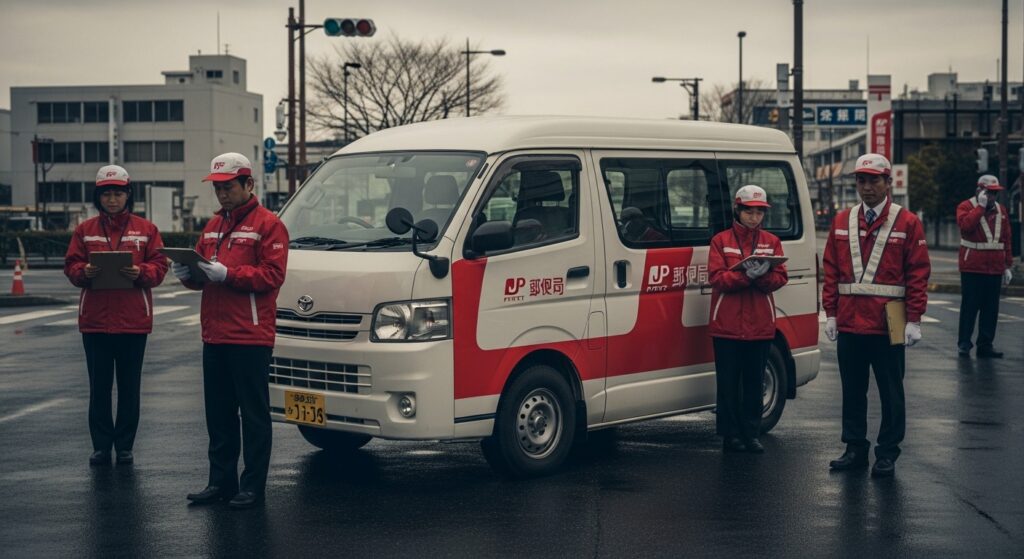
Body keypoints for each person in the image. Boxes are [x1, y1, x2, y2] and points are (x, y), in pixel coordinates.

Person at [173, 153, 288, 509]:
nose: (222, 193)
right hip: (215, 333)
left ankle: (252, 486)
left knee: (254, 415)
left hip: (250, 336)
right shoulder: (212, 226)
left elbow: (273, 275)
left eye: (229, 186)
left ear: (248, 184)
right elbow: (205, 274)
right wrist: (188, 275)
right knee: (219, 414)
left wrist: (229, 275)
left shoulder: (269, 224)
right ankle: (219, 483)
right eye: (218, 188)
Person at [822, 153, 931, 478]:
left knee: (891, 390)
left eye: (873, 180)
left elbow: (918, 272)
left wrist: (914, 318)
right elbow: (830, 270)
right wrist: (830, 312)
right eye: (861, 180)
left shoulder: (908, 222)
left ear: (888, 183)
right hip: (851, 318)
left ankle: (887, 452)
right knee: (852, 390)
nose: (867, 187)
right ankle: (855, 448)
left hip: (892, 319)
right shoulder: (841, 220)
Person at [64, 165, 168, 466]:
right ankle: (100, 446)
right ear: (98, 196)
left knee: (129, 388)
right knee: (98, 388)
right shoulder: (85, 230)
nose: (112, 199)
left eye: (118, 193)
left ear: (128, 195)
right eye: (107, 194)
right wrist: (83, 272)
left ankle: (124, 446)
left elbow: (160, 267)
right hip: (95, 320)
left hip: (133, 320)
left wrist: (141, 272)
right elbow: (71, 265)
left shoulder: (146, 229)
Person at [707, 184, 788, 454]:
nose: (755, 218)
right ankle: (731, 436)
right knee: (728, 384)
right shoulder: (721, 241)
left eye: (760, 213)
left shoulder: (771, 242)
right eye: (749, 212)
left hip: (760, 325)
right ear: (737, 210)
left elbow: (780, 278)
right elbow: (717, 278)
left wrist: (763, 275)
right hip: (727, 324)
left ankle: (752, 434)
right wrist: (746, 276)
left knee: (754, 382)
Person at [956, 175, 1014, 358]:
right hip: (972, 267)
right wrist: (980, 207)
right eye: (989, 193)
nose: (992, 197)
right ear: (979, 191)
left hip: (995, 267)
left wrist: (1007, 266)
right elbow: (966, 227)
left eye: (995, 193)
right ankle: (964, 343)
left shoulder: (1001, 210)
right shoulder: (965, 207)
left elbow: (1006, 239)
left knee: (991, 309)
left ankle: (985, 345)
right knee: (970, 307)